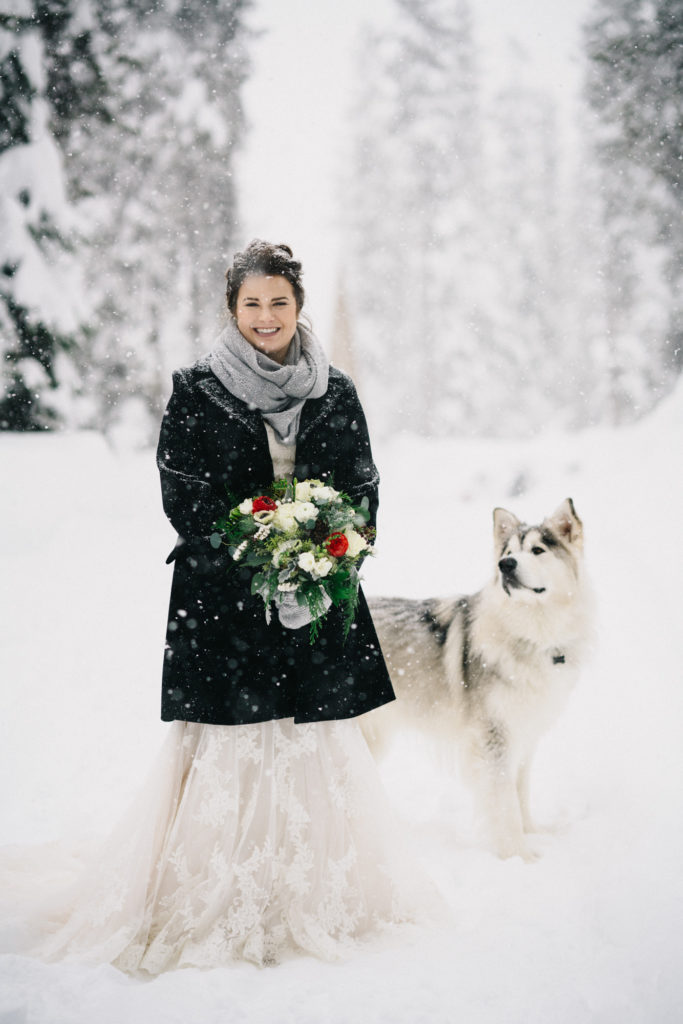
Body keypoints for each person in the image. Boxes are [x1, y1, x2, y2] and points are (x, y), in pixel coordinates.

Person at [12, 240, 418, 974]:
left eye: (279, 302)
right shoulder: (197, 389)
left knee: (310, 740)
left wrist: (327, 550)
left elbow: (362, 487)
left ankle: (314, 898)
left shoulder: (337, 391)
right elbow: (184, 494)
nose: (267, 317)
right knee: (232, 743)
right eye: (252, 304)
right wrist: (259, 548)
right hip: (224, 607)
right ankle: (216, 894)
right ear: (232, 309)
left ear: (299, 307)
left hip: (316, 600)